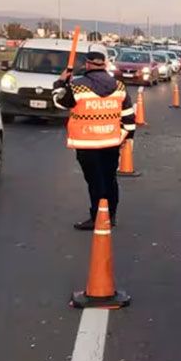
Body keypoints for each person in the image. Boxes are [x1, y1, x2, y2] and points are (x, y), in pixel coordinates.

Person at [52, 51, 135, 230]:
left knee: (95, 182)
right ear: (104, 64)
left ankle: (97, 217)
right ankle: (110, 215)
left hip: (87, 144)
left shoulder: (77, 87)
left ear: (88, 65)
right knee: (110, 179)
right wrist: (127, 138)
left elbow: (58, 101)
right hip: (111, 142)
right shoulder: (119, 86)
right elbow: (128, 115)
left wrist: (60, 82)